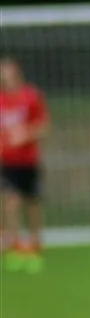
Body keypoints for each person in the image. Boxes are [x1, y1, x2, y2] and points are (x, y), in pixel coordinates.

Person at [0, 57, 49, 273]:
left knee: (32, 203)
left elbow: (44, 126)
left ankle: (35, 243)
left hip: (28, 160)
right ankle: (15, 244)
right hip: (7, 161)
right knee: (10, 201)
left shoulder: (31, 97)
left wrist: (26, 133)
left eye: (8, 72)